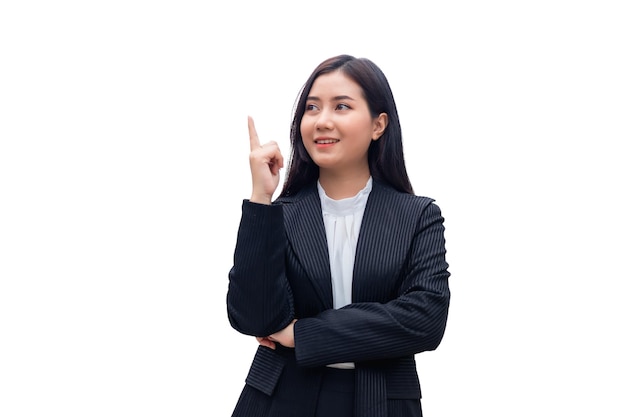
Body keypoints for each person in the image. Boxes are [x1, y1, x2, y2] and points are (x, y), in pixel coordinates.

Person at [226, 54, 451, 417]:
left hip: (381, 400)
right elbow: (254, 319)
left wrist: (302, 335)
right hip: (280, 399)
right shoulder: (280, 215)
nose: (322, 121)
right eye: (311, 108)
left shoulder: (417, 216)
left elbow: (424, 320)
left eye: (341, 106)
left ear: (378, 125)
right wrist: (261, 199)